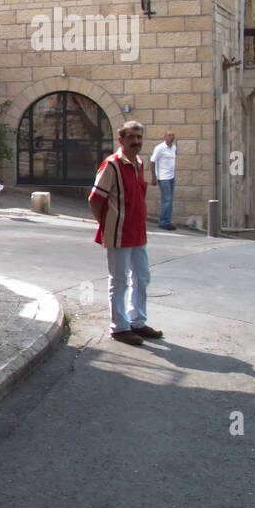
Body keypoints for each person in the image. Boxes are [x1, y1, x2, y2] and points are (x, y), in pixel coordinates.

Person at [89, 121, 162, 346]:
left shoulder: (139, 163)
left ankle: (137, 321)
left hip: (138, 232)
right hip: (119, 233)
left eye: (139, 137)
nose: (136, 142)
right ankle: (119, 327)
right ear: (121, 140)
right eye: (131, 137)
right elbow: (95, 199)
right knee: (119, 281)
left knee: (142, 277)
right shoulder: (111, 165)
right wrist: (107, 223)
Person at [150, 129, 177, 230]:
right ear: (165, 137)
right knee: (167, 200)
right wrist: (154, 177)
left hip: (171, 177)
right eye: (169, 135)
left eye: (172, 135)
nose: (171, 137)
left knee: (169, 200)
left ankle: (167, 220)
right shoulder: (160, 148)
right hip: (163, 177)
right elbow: (152, 161)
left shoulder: (173, 148)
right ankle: (164, 222)